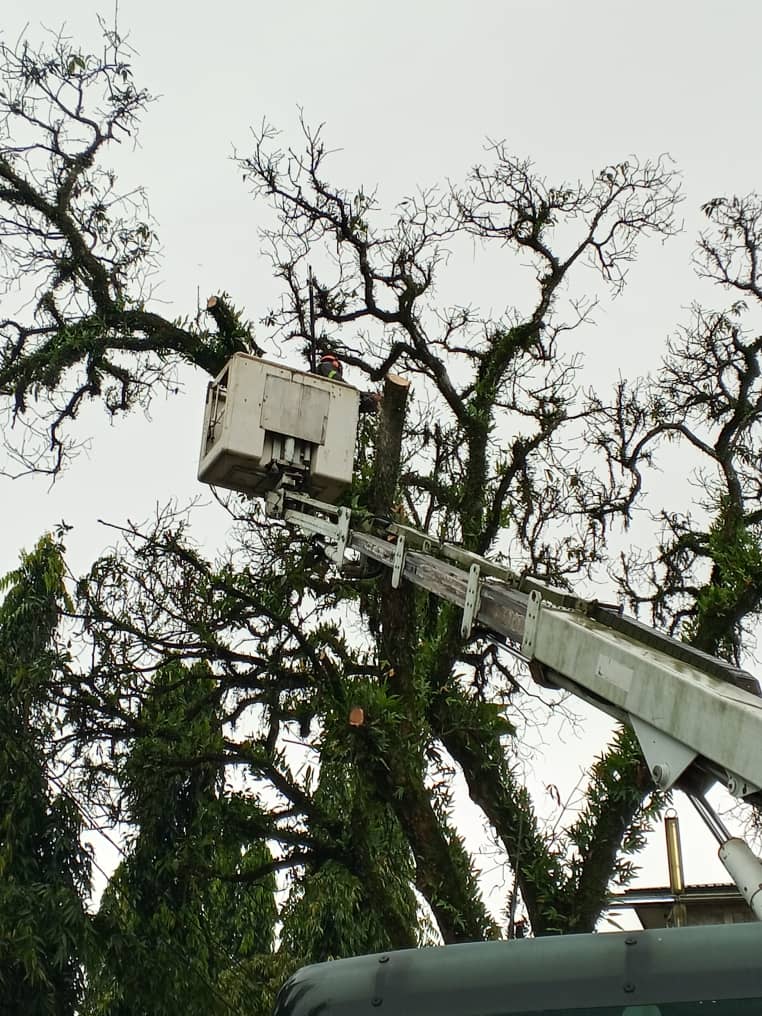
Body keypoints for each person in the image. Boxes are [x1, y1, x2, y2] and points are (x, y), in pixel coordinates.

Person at [314, 353, 380, 413]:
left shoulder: (321, 370)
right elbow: (338, 380)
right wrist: (361, 394)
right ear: (335, 362)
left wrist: (367, 395)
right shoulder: (327, 365)